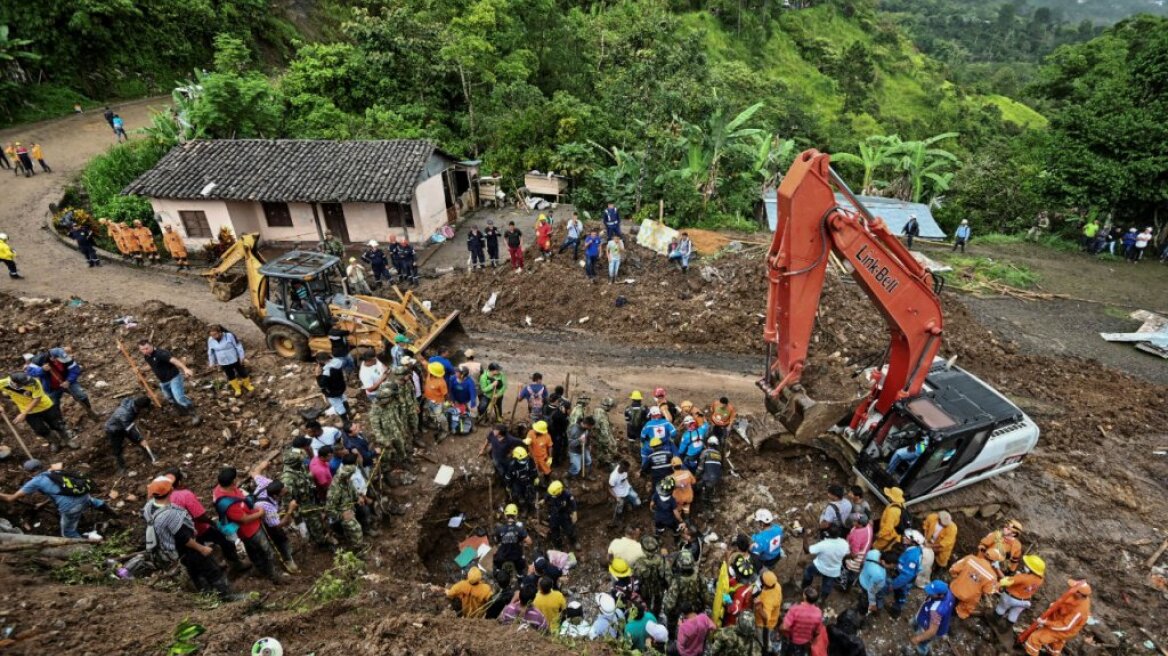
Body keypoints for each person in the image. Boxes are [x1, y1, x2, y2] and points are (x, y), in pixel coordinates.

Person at [142, 476, 245, 601]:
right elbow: (184, 538)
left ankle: (206, 595)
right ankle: (227, 596)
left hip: (172, 549)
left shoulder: (148, 507)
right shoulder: (171, 514)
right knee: (212, 571)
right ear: (170, 491)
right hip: (188, 548)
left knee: (194, 572)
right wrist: (201, 548)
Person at [1, 460, 113, 537]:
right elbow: (59, 491)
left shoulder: (35, 482)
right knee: (91, 501)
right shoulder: (54, 472)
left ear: (29, 472)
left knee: (68, 533)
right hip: (83, 496)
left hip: (71, 508)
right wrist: (43, 504)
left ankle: (88, 549)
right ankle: (113, 514)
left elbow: (10, 498)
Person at [213, 467, 284, 583]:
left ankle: (260, 569)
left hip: (247, 529)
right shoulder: (229, 505)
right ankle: (273, 575)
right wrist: (260, 513)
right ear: (232, 482)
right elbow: (244, 520)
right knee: (266, 551)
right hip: (250, 530)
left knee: (253, 550)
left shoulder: (219, 489)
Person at [1, 372, 76, 451]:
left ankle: (67, 440)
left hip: (46, 407)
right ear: (15, 384)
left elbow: (37, 399)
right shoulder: (3, 383)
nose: (28, 384)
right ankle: (55, 441)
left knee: (58, 424)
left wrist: (23, 413)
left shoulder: (34, 382)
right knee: (40, 429)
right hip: (30, 413)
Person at [1022, 579, 1092, 656]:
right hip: (1059, 620)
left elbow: (1066, 626)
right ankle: (1053, 653)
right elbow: (1066, 602)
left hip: (1063, 630)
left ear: (1079, 594)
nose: (1070, 588)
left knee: (1035, 638)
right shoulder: (1076, 596)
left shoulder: (1080, 610)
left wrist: (1046, 623)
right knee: (1055, 644)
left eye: (1073, 588)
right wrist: (1055, 605)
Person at [139, 339, 200, 424]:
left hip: (174, 378)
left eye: (147, 348)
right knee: (170, 398)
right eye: (142, 349)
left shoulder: (160, 353)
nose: (145, 351)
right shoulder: (147, 356)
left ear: (151, 345)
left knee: (179, 397)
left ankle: (194, 414)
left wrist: (185, 369)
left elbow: (174, 360)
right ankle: (183, 411)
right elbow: (152, 365)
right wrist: (141, 369)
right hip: (163, 382)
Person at [32, 348, 98, 419]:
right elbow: (30, 372)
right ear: (52, 358)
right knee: (53, 405)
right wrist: (42, 370)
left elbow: (75, 369)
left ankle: (90, 411)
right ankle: (61, 424)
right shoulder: (39, 360)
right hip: (52, 388)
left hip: (68, 382)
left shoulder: (66, 358)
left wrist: (68, 381)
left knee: (81, 394)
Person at [252, 475, 297, 573]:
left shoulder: (266, 483)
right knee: (279, 538)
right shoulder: (267, 507)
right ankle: (287, 559)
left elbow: (255, 473)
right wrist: (290, 510)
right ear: (276, 496)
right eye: (283, 490)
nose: (286, 489)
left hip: (269, 512)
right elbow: (278, 525)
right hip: (265, 522)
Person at [104, 395, 156, 473]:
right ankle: (121, 468)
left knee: (138, 440)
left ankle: (150, 455)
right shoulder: (125, 414)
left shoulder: (133, 401)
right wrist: (140, 439)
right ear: (140, 408)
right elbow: (130, 429)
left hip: (125, 424)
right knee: (117, 449)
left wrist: (139, 439)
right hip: (114, 429)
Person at [948, 547, 1001, 619]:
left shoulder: (970, 558)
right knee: (960, 612)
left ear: (985, 554)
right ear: (994, 562)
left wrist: (957, 577)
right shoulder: (992, 576)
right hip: (968, 599)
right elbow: (988, 591)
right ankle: (957, 615)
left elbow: (953, 569)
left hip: (955, 589)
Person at [802, 524, 850, 601]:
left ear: (828, 533)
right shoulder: (844, 543)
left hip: (819, 567)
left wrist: (805, 536)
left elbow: (807, 550)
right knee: (827, 585)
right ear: (839, 533)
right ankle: (822, 599)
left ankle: (805, 588)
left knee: (808, 572)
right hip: (833, 571)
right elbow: (847, 555)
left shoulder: (824, 544)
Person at [995, 554, 1046, 625]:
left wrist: (997, 568)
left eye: (1027, 565)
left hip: (1010, 598)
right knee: (1014, 615)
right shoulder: (1041, 579)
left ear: (1030, 569)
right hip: (1024, 602)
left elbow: (1005, 581)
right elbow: (1029, 582)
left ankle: (994, 620)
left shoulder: (1022, 577)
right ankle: (1005, 628)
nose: (1025, 566)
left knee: (1001, 609)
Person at [910, 580, 956, 655]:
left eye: (932, 593)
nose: (928, 593)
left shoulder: (936, 611)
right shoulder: (948, 592)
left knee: (923, 643)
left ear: (940, 595)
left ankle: (921, 651)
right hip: (933, 620)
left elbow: (932, 631)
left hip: (928, 628)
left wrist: (917, 639)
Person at [886, 530, 925, 617]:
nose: (903, 537)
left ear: (914, 542)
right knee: (899, 593)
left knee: (900, 595)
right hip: (902, 576)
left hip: (904, 581)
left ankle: (895, 612)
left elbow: (906, 576)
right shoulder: (912, 549)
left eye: (906, 537)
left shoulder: (913, 556)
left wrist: (894, 585)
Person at [207, 325, 253, 397]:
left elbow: (238, 346)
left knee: (242, 372)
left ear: (220, 332)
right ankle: (237, 389)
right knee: (230, 375)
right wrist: (212, 363)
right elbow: (211, 352)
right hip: (223, 361)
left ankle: (247, 385)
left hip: (234, 358)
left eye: (215, 334)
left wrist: (241, 357)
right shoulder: (210, 340)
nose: (214, 337)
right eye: (212, 335)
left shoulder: (229, 336)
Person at [326, 461, 364, 546]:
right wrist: (342, 515)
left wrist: (358, 498)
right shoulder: (335, 489)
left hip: (351, 506)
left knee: (364, 511)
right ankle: (358, 548)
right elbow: (329, 509)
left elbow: (353, 491)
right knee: (356, 529)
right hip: (342, 512)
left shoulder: (347, 480)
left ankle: (351, 540)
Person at [779, 588, 823, 656]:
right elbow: (818, 631)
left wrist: (784, 633)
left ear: (804, 596)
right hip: (806, 641)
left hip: (793, 640)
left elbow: (784, 627)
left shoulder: (795, 609)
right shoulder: (818, 613)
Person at [632, 534, 669, 615]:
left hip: (645, 589)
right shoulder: (660, 559)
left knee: (646, 603)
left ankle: (646, 616)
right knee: (658, 602)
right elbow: (666, 574)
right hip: (658, 587)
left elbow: (635, 577)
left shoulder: (639, 562)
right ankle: (656, 615)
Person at [494, 503, 532, 575]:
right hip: (516, 556)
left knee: (497, 560)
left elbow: (497, 541)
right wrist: (523, 543)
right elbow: (529, 542)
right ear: (516, 515)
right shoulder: (519, 529)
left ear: (505, 516)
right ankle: (520, 577)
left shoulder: (499, 529)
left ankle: (500, 574)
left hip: (504, 556)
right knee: (521, 567)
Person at [315, 352, 350, 428]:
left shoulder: (327, 371)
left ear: (320, 361)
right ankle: (349, 413)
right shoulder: (337, 362)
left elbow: (322, 384)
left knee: (338, 406)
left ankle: (345, 422)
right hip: (341, 386)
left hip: (333, 391)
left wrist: (317, 375)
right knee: (343, 398)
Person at [841, 514, 873, 591]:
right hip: (865, 552)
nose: (853, 522)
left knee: (849, 571)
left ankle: (845, 588)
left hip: (857, 557)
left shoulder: (857, 535)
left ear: (860, 524)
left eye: (855, 522)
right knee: (854, 572)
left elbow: (854, 555)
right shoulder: (868, 526)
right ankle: (849, 586)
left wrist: (845, 557)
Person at [754, 570, 783, 653]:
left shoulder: (768, 600)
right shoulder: (777, 586)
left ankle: (765, 650)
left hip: (764, 625)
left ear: (765, 584)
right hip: (775, 618)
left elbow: (766, 617)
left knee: (763, 640)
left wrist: (759, 608)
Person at [545, 480, 578, 549]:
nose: (553, 495)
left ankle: (574, 542)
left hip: (563, 515)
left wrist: (574, 512)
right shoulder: (552, 492)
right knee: (555, 534)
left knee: (569, 530)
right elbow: (547, 496)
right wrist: (542, 501)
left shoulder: (566, 494)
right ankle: (559, 547)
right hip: (553, 515)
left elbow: (573, 503)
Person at [506, 447, 538, 513]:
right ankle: (524, 508)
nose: (525, 460)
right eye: (523, 459)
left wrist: (535, 478)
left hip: (528, 480)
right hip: (518, 483)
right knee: (520, 497)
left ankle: (532, 507)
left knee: (530, 494)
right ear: (516, 458)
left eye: (525, 458)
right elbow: (509, 477)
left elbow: (533, 469)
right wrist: (508, 486)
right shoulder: (512, 465)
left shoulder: (529, 461)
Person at [858, 550, 891, 615]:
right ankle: (862, 612)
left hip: (862, 577)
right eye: (891, 565)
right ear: (884, 562)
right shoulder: (879, 574)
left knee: (863, 595)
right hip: (866, 587)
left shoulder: (874, 552)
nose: (893, 567)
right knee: (864, 600)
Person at [874, 486, 905, 551]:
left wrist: (879, 535)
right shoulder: (901, 505)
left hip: (886, 536)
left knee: (875, 548)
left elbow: (888, 528)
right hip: (892, 534)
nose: (888, 496)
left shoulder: (893, 511)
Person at [696, 436, 723, 502]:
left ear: (708, 443)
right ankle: (709, 494)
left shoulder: (705, 452)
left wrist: (696, 475)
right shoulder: (719, 454)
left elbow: (700, 468)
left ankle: (702, 495)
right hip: (716, 479)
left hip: (707, 478)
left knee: (696, 486)